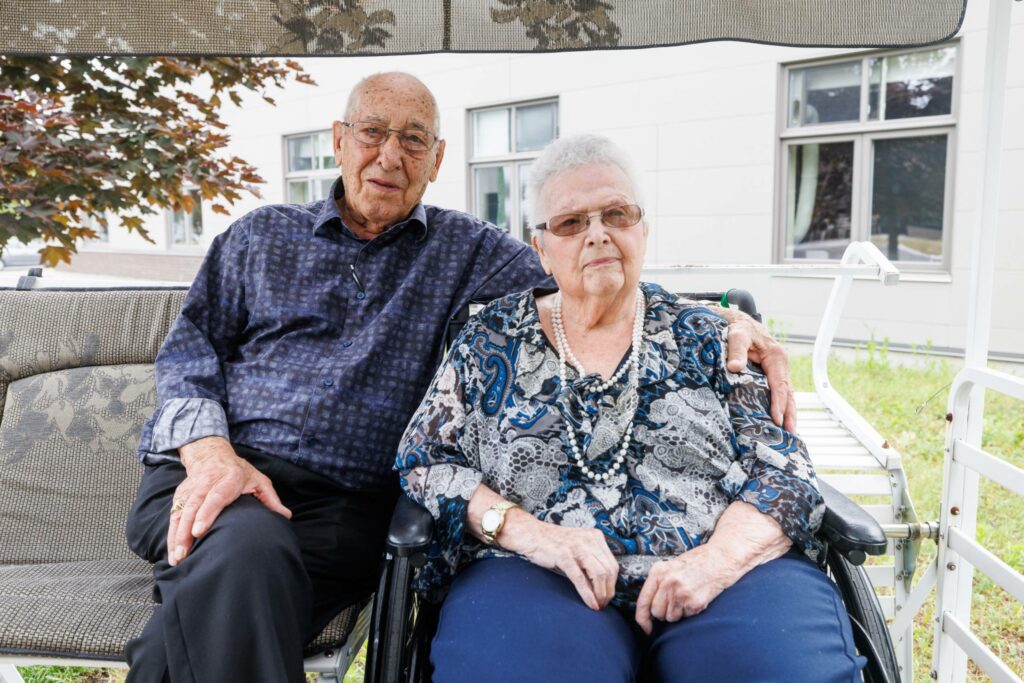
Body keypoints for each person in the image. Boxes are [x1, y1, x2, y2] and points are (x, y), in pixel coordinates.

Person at [124, 73, 796, 682]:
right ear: (338, 140)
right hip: (211, 475)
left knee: (239, 569)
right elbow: (188, 353)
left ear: (438, 159)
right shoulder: (258, 236)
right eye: (373, 132)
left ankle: (195, 599)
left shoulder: (469, 251)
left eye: (413, 139)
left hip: (341, 511)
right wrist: (211, 455)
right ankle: (218, 565)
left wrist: (727, 315)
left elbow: (595, 268)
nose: (390, 155)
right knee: (246, 545)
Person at [396, 134, 865, 682]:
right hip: (534, 573)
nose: (597, 234)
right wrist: (534, 535)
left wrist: (717, 562)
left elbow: (784, 470)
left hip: (725, 574)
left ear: (643, 230)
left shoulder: (712, 337)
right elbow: (424, 460)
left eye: (617, 214)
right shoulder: (490, 340)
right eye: (571, 222)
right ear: (540, 250)